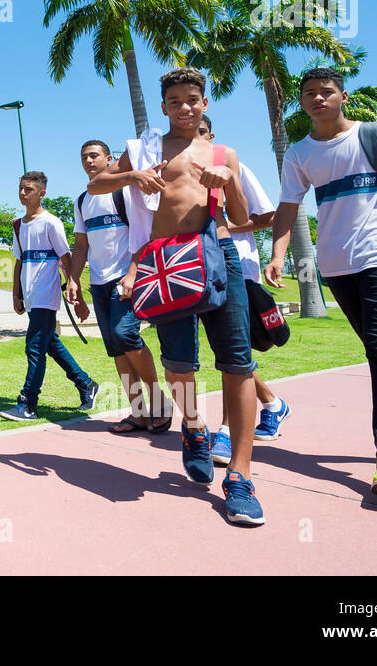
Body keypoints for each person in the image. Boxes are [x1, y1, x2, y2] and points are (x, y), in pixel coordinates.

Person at [265, 67, 377, 504]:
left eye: (326, 92)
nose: (318, 99)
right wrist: (278, 254)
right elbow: (288, 206)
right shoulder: (299, 153)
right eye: (309, 93)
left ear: (342, 96)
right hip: (337, 267)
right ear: (302, 101)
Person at [89, 67, 264, 526]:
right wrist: (132, 177)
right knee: (179, 363)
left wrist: (228, 179)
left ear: (205, 104)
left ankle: (240, 478)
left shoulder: (225, 152)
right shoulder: (141, 149)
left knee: (238, 362)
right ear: (164, 107)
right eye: (175, 101)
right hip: (165, 260)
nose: (185, 107)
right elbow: (95, 185)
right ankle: (192, 426)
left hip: (218, 254)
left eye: (193, 99)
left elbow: (244, 217)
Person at [196, 114, 292, 466]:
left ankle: (225, 432)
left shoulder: (231, 164)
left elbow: (268, 215)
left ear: (213, 134)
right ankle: (273, 403)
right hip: (201, 267)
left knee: (232, 354)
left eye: (203, 132)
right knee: (228, 351)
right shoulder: (180, 166)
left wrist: (222, 228)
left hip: (239, 265)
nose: (198, 138)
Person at [69, 139, 172, 433]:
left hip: (125, 279)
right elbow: (80, 244)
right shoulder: (82, 200)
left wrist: (132, 272)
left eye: (94, 156)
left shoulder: (126, 192)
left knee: (124, 334)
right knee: (115, 348)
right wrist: (74, 280)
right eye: (84, 157)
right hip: (98, 283)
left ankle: (159, 401)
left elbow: (144, 233)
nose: (89, 161)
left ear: (109, 159)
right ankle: (138, 412)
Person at [1, 171, 100, 421]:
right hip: (31, 297)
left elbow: (66, 257)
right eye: (21, 188)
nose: (22, 193)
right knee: (50, 345)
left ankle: (28, 403)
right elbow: (19, 261)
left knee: (34, 346)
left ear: (41, 193)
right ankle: (86, 384)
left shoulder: (51, 222)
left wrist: (72, 285)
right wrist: (17, 294)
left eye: (28, 190)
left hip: (47, 294)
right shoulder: (17, 224)